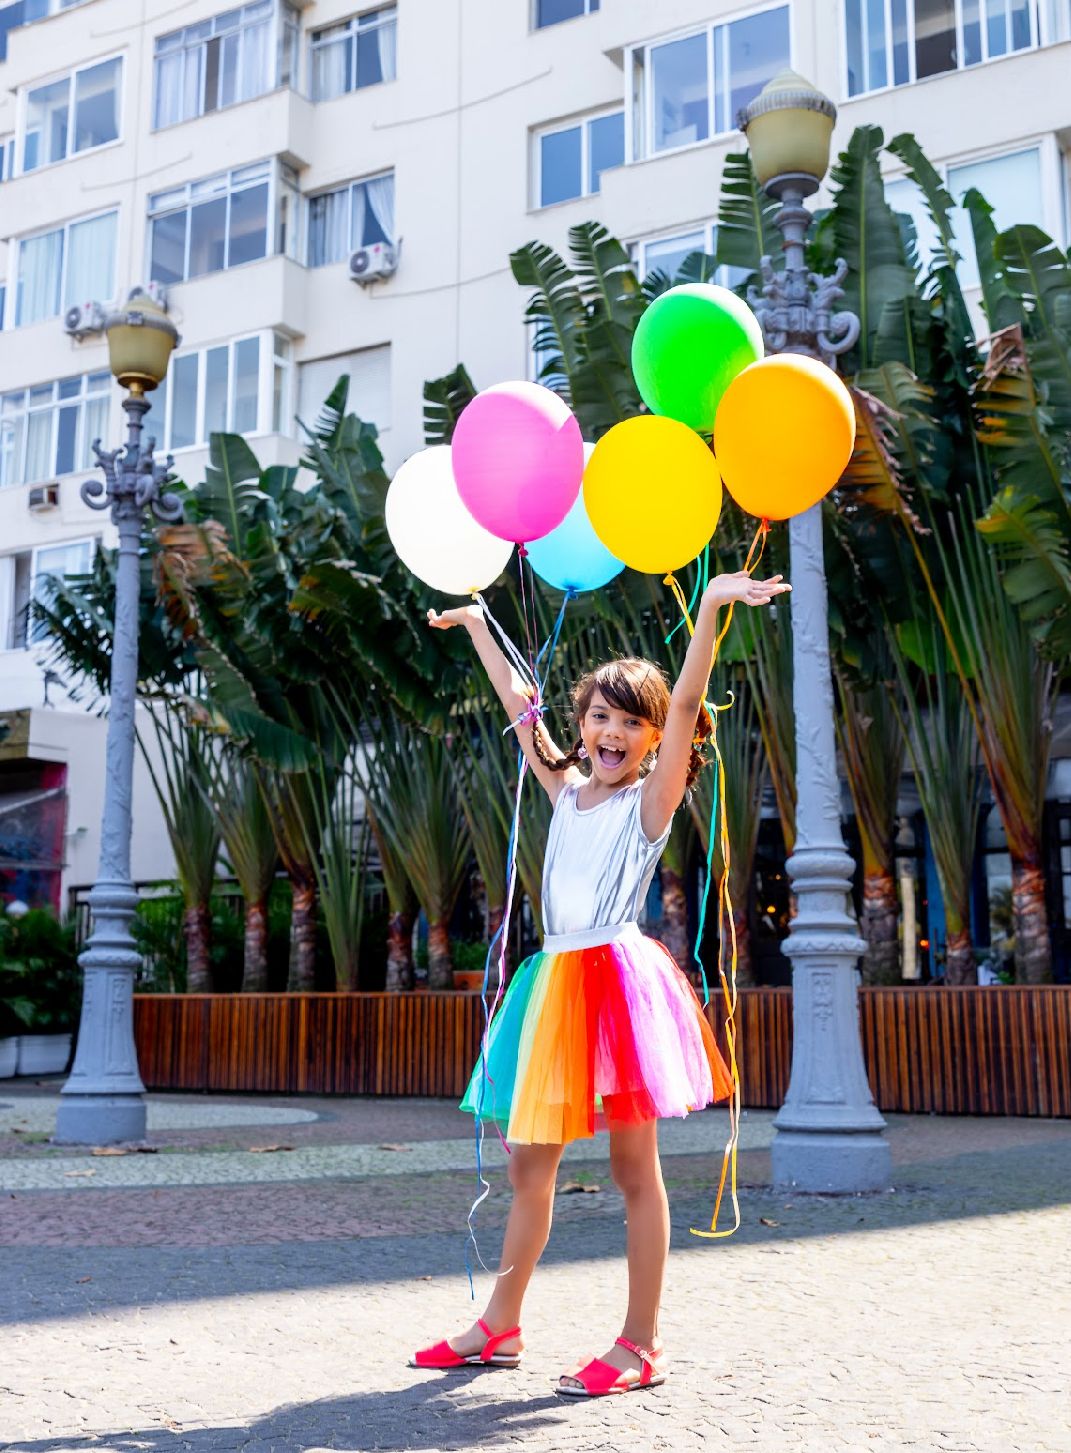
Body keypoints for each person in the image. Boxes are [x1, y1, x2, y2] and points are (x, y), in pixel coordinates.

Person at [412, 568, 790, 1397]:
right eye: (599, 716)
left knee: (632, 1169)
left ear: (652, 739)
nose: (612, 731)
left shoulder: (649, 803)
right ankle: (499, 1325)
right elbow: (520, 703)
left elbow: (686, 704)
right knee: (528, 1166)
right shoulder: (563, 787)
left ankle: (639, 1342)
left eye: (630, 722)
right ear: (581, 725)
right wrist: (477, 625)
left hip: (617, 988)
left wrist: (712, 606)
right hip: (552, 986)